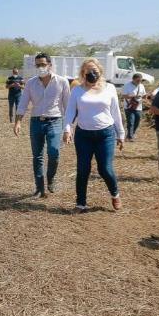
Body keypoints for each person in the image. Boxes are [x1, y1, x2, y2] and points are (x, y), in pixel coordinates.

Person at [63, 58, 125, 213]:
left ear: (100, 71)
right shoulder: (77, 90)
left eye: (94, 70)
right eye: (88, 70)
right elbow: (70, 111)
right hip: (83, 135)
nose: (91, 73)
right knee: (83, 169)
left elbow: (116, 112)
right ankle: (80, 203)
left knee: (105, 168)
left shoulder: (110, 88)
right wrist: (67, 128)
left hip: (106, 134)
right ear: (83, 73)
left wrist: (121, 134)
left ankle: (115, 193)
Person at [13, 53, 70, 198]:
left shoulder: (62, 82)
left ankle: (51, 177)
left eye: (43, 64)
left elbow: (67, 106)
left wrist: (68, 128)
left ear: (50, 65)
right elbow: (23, 103)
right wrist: (18, 121)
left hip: (55, 121)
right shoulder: (31, 83)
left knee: (53, 152)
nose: (40, 67)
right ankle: (39, 188)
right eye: (37, 65)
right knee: (37, 156)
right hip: (36, 122)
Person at [121, 73, 146, 141]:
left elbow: (144, 95)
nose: (139, 82)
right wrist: (134, 96)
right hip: (129, 106)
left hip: (138, 106)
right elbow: (124, 96)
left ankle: (131, 134)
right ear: (133, 79)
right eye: (138, 80)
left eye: (140, 81)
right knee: (131, 121)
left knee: (137, 121)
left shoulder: (141, 86)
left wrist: (146, 98)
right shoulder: (127, 86)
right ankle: (130, 136)